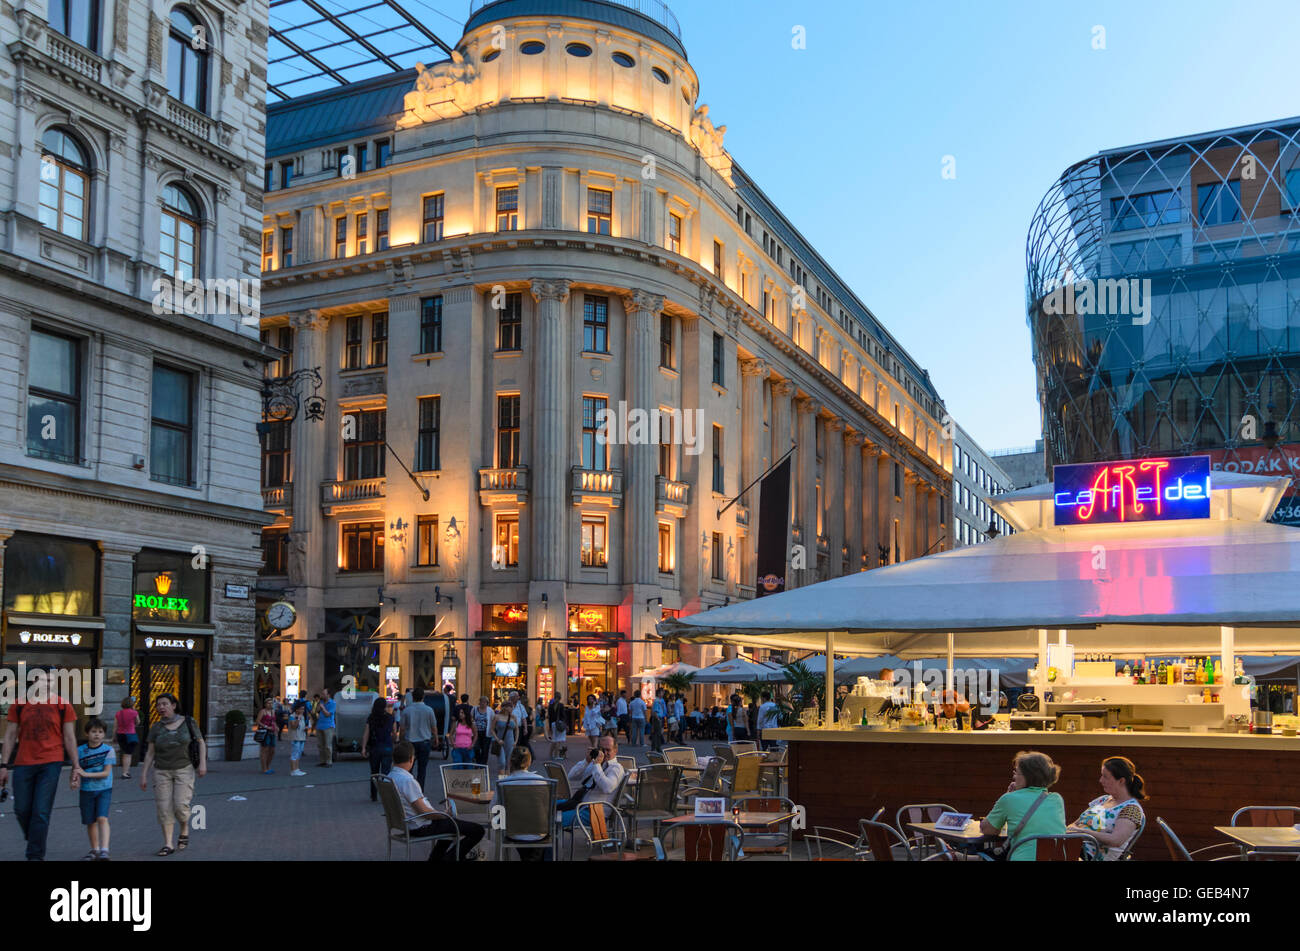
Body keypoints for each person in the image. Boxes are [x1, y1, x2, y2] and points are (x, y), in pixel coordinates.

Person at [0, 667, 79, 860]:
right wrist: (3, 765)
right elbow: (10, 736)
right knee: (21, 809)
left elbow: (69, 738)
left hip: (51, 763)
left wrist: (76, 766)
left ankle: (35, 855)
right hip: (23, 763)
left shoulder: (63, 705)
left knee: (41, 811)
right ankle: (35, 837)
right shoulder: (19, 704)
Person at [387, 740, 485, 861]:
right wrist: (443, 815)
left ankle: (436, 858)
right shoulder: (407, 781)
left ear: (394, 759)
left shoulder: (389, 777)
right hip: (419, 826)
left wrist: (442, 816)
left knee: (450, 824)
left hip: (406, 823)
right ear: (411, 759)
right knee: (477, 830)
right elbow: (424, 813)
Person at [139, 692, 206, 856]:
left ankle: (184, 827)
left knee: (180, 806)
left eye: (164, 704)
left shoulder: (189, 722)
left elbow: (200, 742)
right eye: (158, 705)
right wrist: (144, 774)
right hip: (162, 770)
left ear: (173, 705)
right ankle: (168, 843)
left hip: (184, 768)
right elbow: (150, 753)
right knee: (163, 808)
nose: (161, 707)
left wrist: (202, 764)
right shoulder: (156, 728)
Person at [979, 751, 1067, 860]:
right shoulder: (1057, 799)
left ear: (1028, 776)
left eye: (1017, 772)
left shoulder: (1009, 799)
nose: (1014, 777)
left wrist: (1007, 795)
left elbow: (988, 830)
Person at [1070, 756, 1147, 860]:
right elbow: (1076, 824)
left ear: (1121, 781)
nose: (1100, 780)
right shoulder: (1102, 800)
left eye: (1105, 776)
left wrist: (1083, 833)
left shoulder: (1131, 809)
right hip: (1074, 848)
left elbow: (1116, 840)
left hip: (1091, 857)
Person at [496, 745, 551, 861]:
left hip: (514, 832)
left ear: (510, 762)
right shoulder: (541, 781)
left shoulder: (503, 783)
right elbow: (548, 808)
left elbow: (495, 811)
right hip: (540, 832)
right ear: (529, 762)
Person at [560, 734, 626, 829]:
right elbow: (571, 776)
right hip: (580, 804)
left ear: (615, 751)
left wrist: (597, 765)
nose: (604, 753)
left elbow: (607, 788)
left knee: (556, 819)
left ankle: (544, 838)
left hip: (595, 812)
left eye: (608, 750)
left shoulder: (616, 768)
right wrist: (586, 761)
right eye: (602, 749)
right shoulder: (595, 763)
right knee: (549, 804)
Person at [74, 717, 116, 861]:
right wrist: (74, 780)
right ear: (87, 733)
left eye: (100, 732)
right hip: (86, 790)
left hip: (104, 789)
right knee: (90, 821)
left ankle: (105, 850)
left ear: (104, 734)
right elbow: (76, 769)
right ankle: (95, 850)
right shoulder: (79, 751)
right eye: (93, 731)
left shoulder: (108, 750)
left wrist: (85, 774)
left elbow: (106, 773)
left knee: (102, 818)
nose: (96, 734)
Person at [361, 696, 397, 801]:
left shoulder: (371, 718)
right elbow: (394, 734)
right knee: (386, 773)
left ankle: (374, 795)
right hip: (387, 747)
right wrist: (395, 740)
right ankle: (385, 796)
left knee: (374, 772)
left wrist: (363, 748)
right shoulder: (390, 718)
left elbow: (366, 734)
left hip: (374, 748)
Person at [401, 686, 436, 788]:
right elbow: (434, 727)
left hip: (410, 742)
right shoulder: (429, 710)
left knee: (408, 769)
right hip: (424, 742)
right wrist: (436, 739)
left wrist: (401, 740)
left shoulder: (407, 710)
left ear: (412, 697)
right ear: (423, 697)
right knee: (422, 769)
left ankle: (409, 789)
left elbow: (402, 729)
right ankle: (420, 791)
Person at [115, 696, 139, 780]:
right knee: (128, 754)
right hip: (130, 735)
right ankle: (125, 773)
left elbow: (115, 726)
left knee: (124, 752)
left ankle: (125, 771)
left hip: (120, 735)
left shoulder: (118, 713)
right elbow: (138, 722)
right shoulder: (134, 713)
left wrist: (113, 737)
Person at [492, 699, 518, 771]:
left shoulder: (513, 717)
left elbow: (516, 729)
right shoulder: (497, 717)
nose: (512, 709)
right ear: (506, 708)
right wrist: (497, 739)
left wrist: (516, 741)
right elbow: (492, 730)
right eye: (511, 707)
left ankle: (507, 780)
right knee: (502, 762)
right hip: (500, 742)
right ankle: (501, 780)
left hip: (510, 742)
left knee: (509, 763)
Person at [256, 697, 278, 774]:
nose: (270, 704)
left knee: (272, 750)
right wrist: (266, 726)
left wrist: (276, 727)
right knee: (264, 750)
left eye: (271, 703)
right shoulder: (263, 711)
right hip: (265, 732)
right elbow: (258, 721)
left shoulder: (273, 711)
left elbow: (274, 721)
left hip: (272, 732)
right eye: (268, 703)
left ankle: (268, 766)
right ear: (265, 704)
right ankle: (264, 768)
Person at [315, 687, 336, 767]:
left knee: (328, 745)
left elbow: (328, 714)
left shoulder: (333, 703)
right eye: (322, 694)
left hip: (328, 726)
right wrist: (318, 705)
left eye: (324, 694)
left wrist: (323, 707)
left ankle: (329, 761)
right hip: (320, 725)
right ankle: (322, 761)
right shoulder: (321, 702)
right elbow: (316, 711)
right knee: (320, 745)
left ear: (328, 695)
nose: (322, 695)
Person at [288, 700, 309, 776]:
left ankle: (297, 768)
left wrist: (306, 727)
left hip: (301, 737)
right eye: (301, 709)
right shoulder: (292, 716)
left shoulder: (303, 716)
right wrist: (298, 719)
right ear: (297, 709)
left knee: (299, 754)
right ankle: (293, 770)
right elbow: (294, 726)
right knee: (294, 754)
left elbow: (302, 726)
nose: (302, 711)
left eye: (303, 709)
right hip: (295, 738)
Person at [472, 696, 493, 765]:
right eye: (482, 702)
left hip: (486, 732)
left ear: (487, 703)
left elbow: (493, 719)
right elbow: (470, 718)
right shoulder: (474, 709)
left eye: (485, 702)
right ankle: (478, 761)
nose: (483, 703)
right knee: (476, 747)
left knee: (485, 749)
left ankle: (483, 764)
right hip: (476, 732)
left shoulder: (490, 710)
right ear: (479, 702)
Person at [547, 694, 569, 760]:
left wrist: (550, 726)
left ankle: (551, 755)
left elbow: (549, 717)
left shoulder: (550, 706)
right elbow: (563, 715)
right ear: (560, 698)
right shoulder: (561, 705)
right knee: (558, 740)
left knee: (554, 740)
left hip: (553, 723)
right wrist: (566, 724)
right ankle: (556, 755)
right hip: (559, 723)